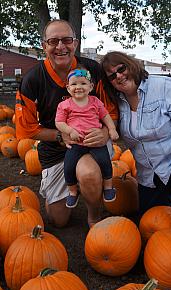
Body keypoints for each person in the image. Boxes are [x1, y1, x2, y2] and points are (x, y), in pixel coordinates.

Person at [15, 19, 118, 228]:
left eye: (67, 40)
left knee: (88, 173)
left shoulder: (92, 70)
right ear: (44, 46)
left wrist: (106, 132)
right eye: (53, 41)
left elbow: (112, 111)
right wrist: (60, 135)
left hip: (90, 142)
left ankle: (93, 215)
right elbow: (26, 129)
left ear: (76, 43)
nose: (60, 46)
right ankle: (74, 187)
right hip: (55, 147)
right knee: (58, 220)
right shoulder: (33, 79)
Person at [101, 51, 171, 246]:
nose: (119, 76)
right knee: (149, 224)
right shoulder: (116, 104)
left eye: (121, 69)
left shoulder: (162, 86)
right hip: (149, 174)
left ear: (131, 65)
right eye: (112, 76)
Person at [55, 67, 119, 208]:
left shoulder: (95, 102)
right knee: (69, 165)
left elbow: (105, 116)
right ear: (68, 88)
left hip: (96, 142)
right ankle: (73, 191)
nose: (78, 87)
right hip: (77, 143)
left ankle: (108, 187)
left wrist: (112, 129)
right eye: (74, 84)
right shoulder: (64, 105)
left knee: (105, 162)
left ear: (90, 87)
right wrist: (70, 130)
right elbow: (59, 122)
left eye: (83, 84)